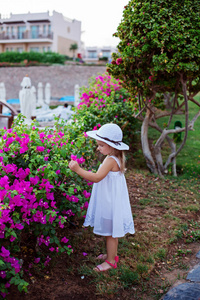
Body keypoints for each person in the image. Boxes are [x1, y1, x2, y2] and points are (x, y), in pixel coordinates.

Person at [69, 123, 135, 272]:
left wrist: (78, 170)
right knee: (112, 231)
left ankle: (111, 261)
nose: (98, 148)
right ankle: (112, 255)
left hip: (110, 201)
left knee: (111, 233)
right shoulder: (115, 156)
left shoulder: (111, 160)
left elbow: (97, 177)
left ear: (111, 146)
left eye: (100, 145)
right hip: (112, 199)